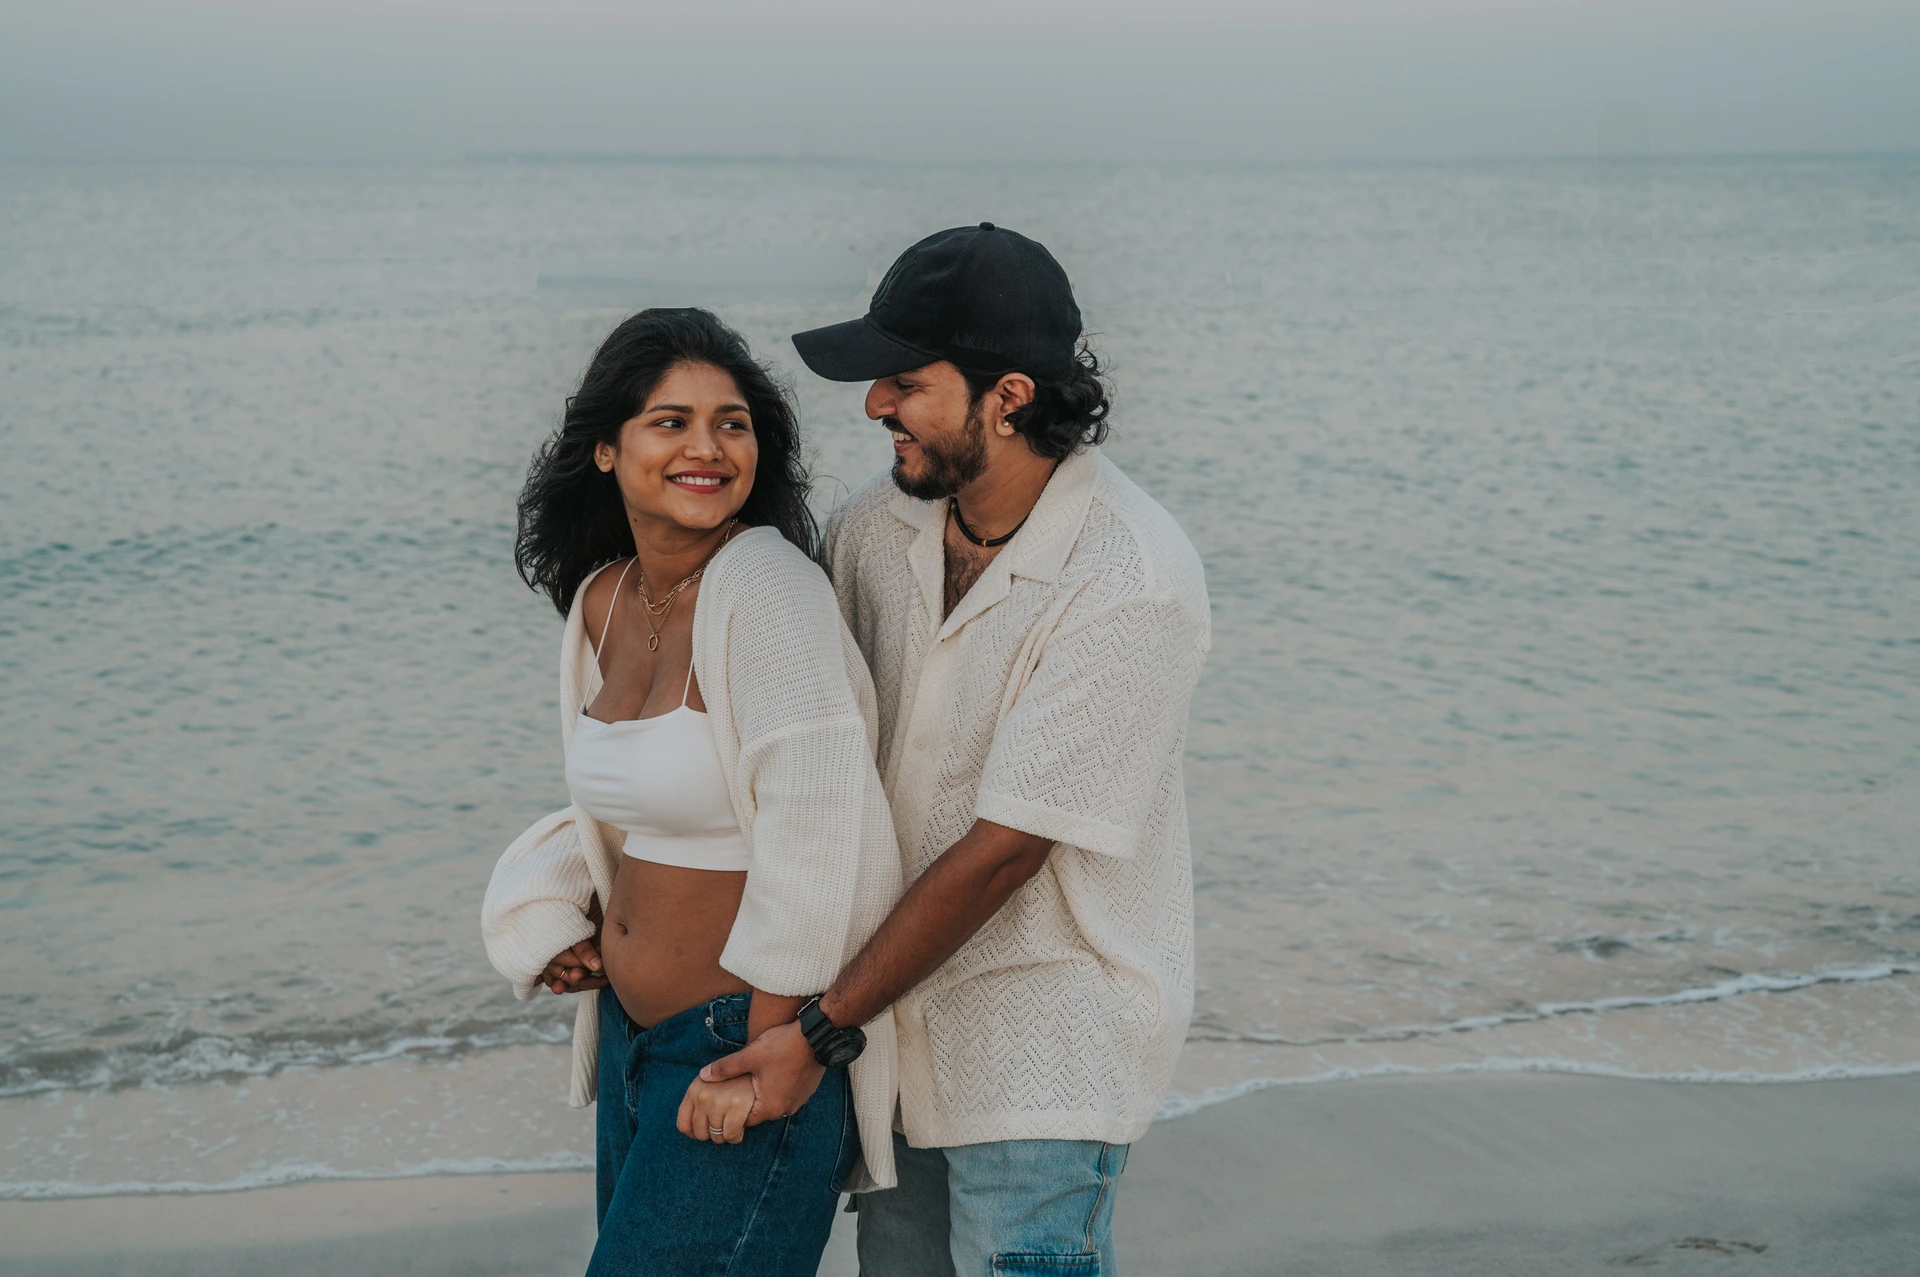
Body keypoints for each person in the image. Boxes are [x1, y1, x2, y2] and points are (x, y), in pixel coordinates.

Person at [702, 225, 1212, 1275]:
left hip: (1045, 1060)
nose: (873, 404)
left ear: (1009, 396)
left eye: (904, 381)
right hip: (895, 1043)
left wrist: (820, 1030)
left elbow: (1004, 852)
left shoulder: (1131, 578)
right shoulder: (870, 533)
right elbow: (786, 745)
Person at [480, 308, 903, 1275]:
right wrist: (552, 914)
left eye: (733, 422)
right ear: (605, 447)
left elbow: (818, 823)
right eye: (671, 421)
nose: (707, 447)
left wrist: (774, 1049)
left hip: (738, 1046)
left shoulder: (767, 586)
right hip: (637, 1047)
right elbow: (619, 812)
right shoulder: (604, 598)